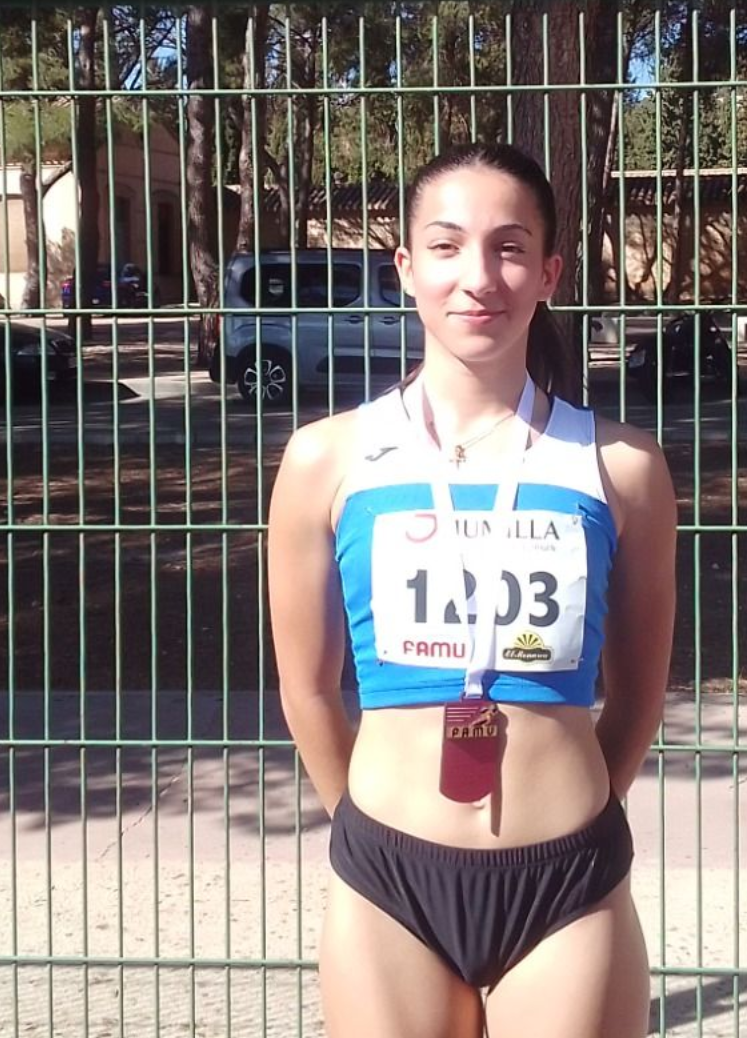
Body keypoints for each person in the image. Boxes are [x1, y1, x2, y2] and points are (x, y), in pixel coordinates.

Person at [266, 142, 678, 1037]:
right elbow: (308, 688)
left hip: (566, 885)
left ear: (550, 273)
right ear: (406, 268)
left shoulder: (622, 467)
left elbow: (640, 693)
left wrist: (574, 806)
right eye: (447, 246)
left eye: (510, 247)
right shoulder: (326, 459)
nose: (479, 277)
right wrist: (367, 824)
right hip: (389, 881)